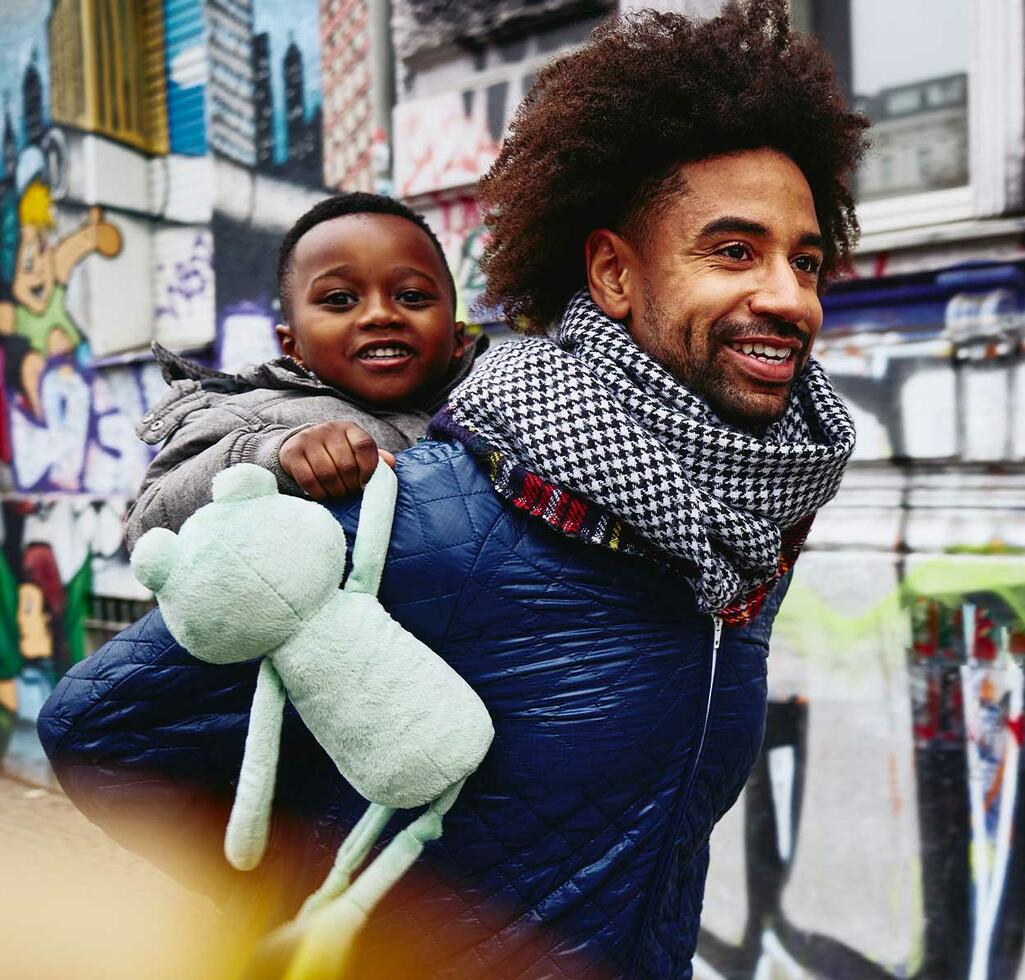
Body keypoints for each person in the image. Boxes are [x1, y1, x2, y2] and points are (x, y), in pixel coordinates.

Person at [40, 3, 866, 977]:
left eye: (804, 260)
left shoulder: (739, 532)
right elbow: (95, 727)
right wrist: (320, 926)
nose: (789, 296)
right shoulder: (431, 517)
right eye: (734, 250)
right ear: (611, 271)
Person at [125, 191, 476, 547]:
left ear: (458, 336)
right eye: (340, 299)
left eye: (412, 296)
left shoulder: (493, 409)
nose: (380, 315)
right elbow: (146, 527)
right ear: (293, 347)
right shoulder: (254, 414)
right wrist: (269, 459)